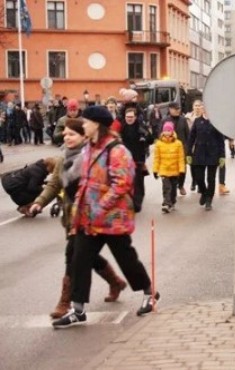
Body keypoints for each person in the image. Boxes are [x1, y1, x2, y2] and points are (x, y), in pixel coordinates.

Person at [52, 106, 159, 328]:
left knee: (126, 259)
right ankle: (78, 309)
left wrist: (100, 206)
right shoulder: (90, 148)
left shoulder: (117, 150)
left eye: (86, 122)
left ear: (97, 124)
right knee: (79, 260)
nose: (83, 125)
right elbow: (82, 176)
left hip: (112, 219)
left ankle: (149, 292)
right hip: (89, 219)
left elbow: (121, 184)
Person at [28, 118, 127, 318]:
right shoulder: (63, 158)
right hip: (71, 217)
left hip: (89, 216)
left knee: (72, 256)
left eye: (72, 134)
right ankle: (115, 281)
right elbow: (54, 183)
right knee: (84, 255)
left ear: (84, 136)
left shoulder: (92, 156)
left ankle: (66, 302)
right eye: (65, 134)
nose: (67, 137)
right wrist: (39, 202)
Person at [186, 100, 225, 211]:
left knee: (211, 178)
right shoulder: (198, 121)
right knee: (199, 177)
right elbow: (191, 138)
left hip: (213, 154)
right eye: (203, 107)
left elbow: (220, 140)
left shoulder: (215, 122)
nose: (205, 109)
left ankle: (209, 200)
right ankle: (203, 192)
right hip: (199, 153)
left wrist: (222, 155)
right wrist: (189, 153)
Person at [119, 107, 154, 213]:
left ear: (135, 117)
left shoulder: (141, 127)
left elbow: (151, 140)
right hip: (124, 160)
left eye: (131, 117)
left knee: (138, 182)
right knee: (126, 182)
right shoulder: (122, 128)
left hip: (138, 159)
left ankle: (137, 203)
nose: (129, 119)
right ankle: (128, 202)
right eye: (127, 117)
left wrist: (145, 137)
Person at [153, 121, 186, 213]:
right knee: (166, 187)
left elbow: (180, 158)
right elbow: (157, 158)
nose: (167, 132)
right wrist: (155, 170)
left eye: (169, 130)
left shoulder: (178, 143)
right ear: (162, 131)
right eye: (165, 130)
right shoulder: (159, 144)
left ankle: (172, 201)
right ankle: (166, 203)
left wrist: (181, 170)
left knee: (173, 189)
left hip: (174, 170)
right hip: (164, 170)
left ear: (172, 131)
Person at [164, 102, 190, 195]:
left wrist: (188, 148)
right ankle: (172, 187)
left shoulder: (183, 120)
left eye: (179, 108)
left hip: (182, 148)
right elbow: (160, 134)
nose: (178, 110)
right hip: (169, 149)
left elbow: (188, 135)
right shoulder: (165, 120)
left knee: (182, 169)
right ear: (170, 109)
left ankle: (181, 185)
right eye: (175, 109)